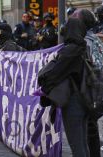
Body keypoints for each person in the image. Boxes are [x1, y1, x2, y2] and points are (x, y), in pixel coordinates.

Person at [38, 17, 90, 157]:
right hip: (85, 99)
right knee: (82, 142)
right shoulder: (84, 48)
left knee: (76, 145)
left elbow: (54, 74)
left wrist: (44, 85)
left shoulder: (70, 51)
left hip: (74, 102)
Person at [71, 9, 103, 157]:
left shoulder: (86, 42)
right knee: (91, 128)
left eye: (75, 19)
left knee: (87, 129)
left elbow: (89, 67)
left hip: (89, 90)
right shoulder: (95, 40)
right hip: (96, 90)